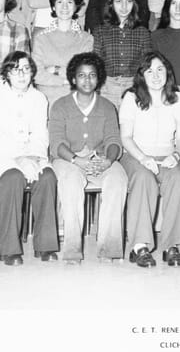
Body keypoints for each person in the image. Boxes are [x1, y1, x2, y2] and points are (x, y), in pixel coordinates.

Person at [0, 51, 59, 265]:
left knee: (47, 177)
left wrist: (32, 156)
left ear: (32, 72)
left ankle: (46, 245)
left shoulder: (39, 98)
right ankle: (9, 249)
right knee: (12, 177)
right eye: (15, 70)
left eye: (26, 69)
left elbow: (41, 135)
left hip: (32, 155)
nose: (21, 74)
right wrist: (19, 158)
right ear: (7, 73)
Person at [49, 52, 127, 263]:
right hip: (68, 160)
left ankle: (109, 249)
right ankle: (72, 251)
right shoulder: (60, 105)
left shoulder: (107, 107)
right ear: (73, 79)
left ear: (98, 78)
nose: (87, 80)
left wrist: (108, 160)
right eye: (81, 75)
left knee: (118, 179)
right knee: (71, 181)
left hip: (100, 159)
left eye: (92, 75)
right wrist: (76, 160)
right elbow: (56, 142)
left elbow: (113, 140)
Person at [119, 52, 180, 268]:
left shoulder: (178, 99)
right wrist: (143, 158)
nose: (156, 75)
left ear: (167, 72)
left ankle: (172, 246)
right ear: (142, 75)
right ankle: (139, 246)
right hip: (136, 156)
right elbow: (125, 137)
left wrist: (176, 155)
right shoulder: (131, 98)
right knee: (144, 179)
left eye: (160, 69)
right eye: (149, 71)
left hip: (168, 156)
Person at [31, 0, 94, 106]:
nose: (64, 7)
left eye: (69, 2)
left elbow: (83, 75)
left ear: (76, 6)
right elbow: (36, 74)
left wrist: (54, 69)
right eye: (60, 2)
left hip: (76, 101)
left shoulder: (86, 39)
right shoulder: (40, 37)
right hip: (46, 100)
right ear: (53, 7)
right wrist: (66, 80)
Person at [92, 0, 152, 108]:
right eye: (119, 1)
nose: (124, 6)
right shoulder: (100, 31)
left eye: (128, 1)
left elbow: (146, 66)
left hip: (134, 89)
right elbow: (96, 65)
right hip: (106, 89)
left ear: (134, 3)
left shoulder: (143, 32)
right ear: (111, 3)